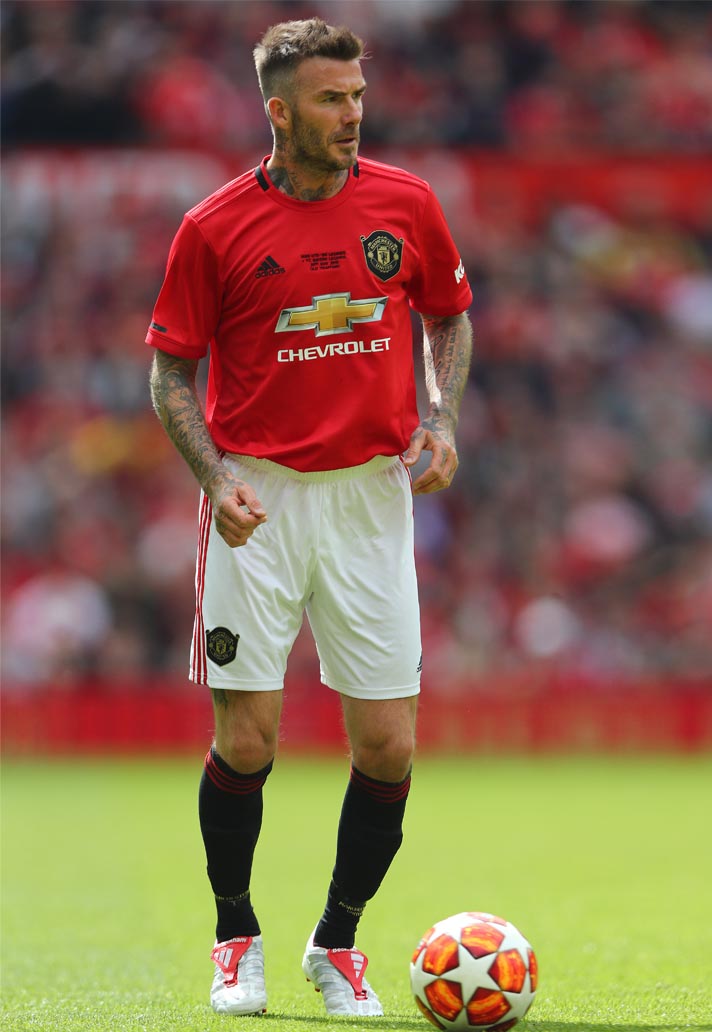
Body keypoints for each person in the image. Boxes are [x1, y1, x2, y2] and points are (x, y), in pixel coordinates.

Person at [147, 16, 473, 1019]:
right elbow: (168, 374)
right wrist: (213, 479)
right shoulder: (212, 227)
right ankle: (233, 937)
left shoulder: (407, 203)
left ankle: (336, 943)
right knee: (248, 741)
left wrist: (441, 416)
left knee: (388, 748)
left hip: (371, 496)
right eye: (332, 100)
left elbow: (448, 315)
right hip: (259, 496)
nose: (353, 114)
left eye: (358, 96)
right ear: (279, 112)